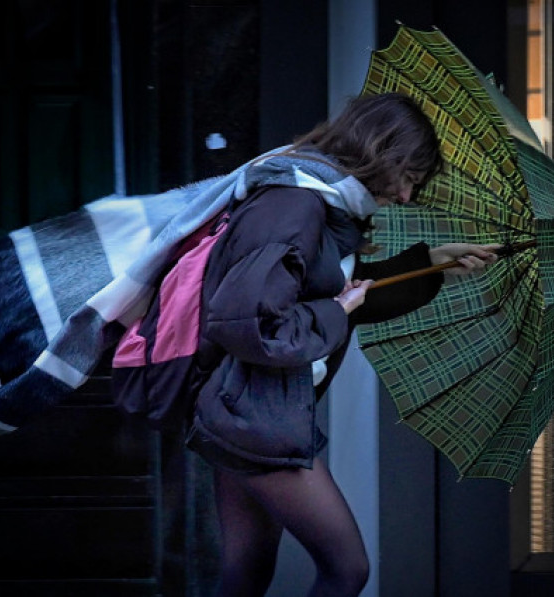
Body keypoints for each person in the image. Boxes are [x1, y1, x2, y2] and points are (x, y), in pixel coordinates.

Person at [180, 92, 499, 597]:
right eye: (410, 179)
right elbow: (247, 321)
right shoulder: (294, 205)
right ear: (385, 154)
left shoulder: (321, 202)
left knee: (247, 572)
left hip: (246, 410)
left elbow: (330, 290)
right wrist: (335, 312)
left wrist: (431, 263)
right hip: (255, 417)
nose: (408, 196)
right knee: (346, 569)